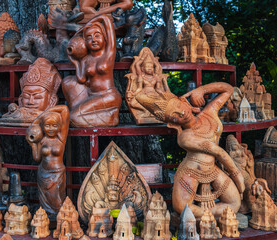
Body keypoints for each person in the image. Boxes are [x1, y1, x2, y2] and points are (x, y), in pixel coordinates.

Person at [136, 82, 245, 218]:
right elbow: (218, 151)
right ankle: (206, 218)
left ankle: (203, 216)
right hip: (191, 172)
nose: (181, 113)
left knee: (235, 204)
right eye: (174, 115)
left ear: (184, 101)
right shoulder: (186, 137)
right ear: (172, 123)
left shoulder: (208, 114)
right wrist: (237, 174)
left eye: (178, 106)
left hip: (212, 169)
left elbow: (228, 89)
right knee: (181, 207)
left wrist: (202, 89)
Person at [62, 14, 121, 127]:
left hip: (109, 96)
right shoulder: (86, 59)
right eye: (88, 37)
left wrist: (86, 26)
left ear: (104, 37)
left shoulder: (108, 54)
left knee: (73, 118)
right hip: (92, 96)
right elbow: (81, 79)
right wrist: (76, 62)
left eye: (97, 35)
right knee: (72, 117)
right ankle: (108, 117)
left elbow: (106, 19)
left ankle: (111, 119)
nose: (93, 40)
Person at [26, 105, 69, 220]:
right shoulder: (42, 140)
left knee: (57, 199)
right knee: (45, 202)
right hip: (43, 174)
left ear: (59, 127)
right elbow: (37, 158)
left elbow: (64, 109)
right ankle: (48, 221)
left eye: (54, 126)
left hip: (57, 173)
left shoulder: (61, 138)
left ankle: (59, 220)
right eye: (47, 125)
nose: (50, 129)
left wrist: (39, 118)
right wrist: (33, 144)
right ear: (43, 127)